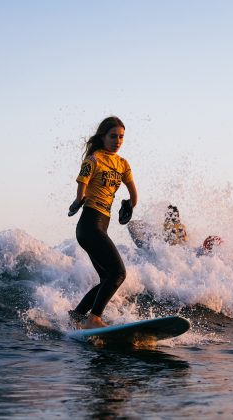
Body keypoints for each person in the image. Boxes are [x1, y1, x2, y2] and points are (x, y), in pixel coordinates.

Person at [67, 116, 138, 329]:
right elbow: (81, 191)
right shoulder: (93, 160)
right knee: (118, 273)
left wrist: (129, 205)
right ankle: (94, 318)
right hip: (89, 225)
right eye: (113, 136)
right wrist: (77, 202)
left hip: (102, 225)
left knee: (108, 277)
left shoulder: (123, 164)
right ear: (103, 137)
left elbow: (133, 193)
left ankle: (77, 315)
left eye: (121, 137)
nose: (118, 140)